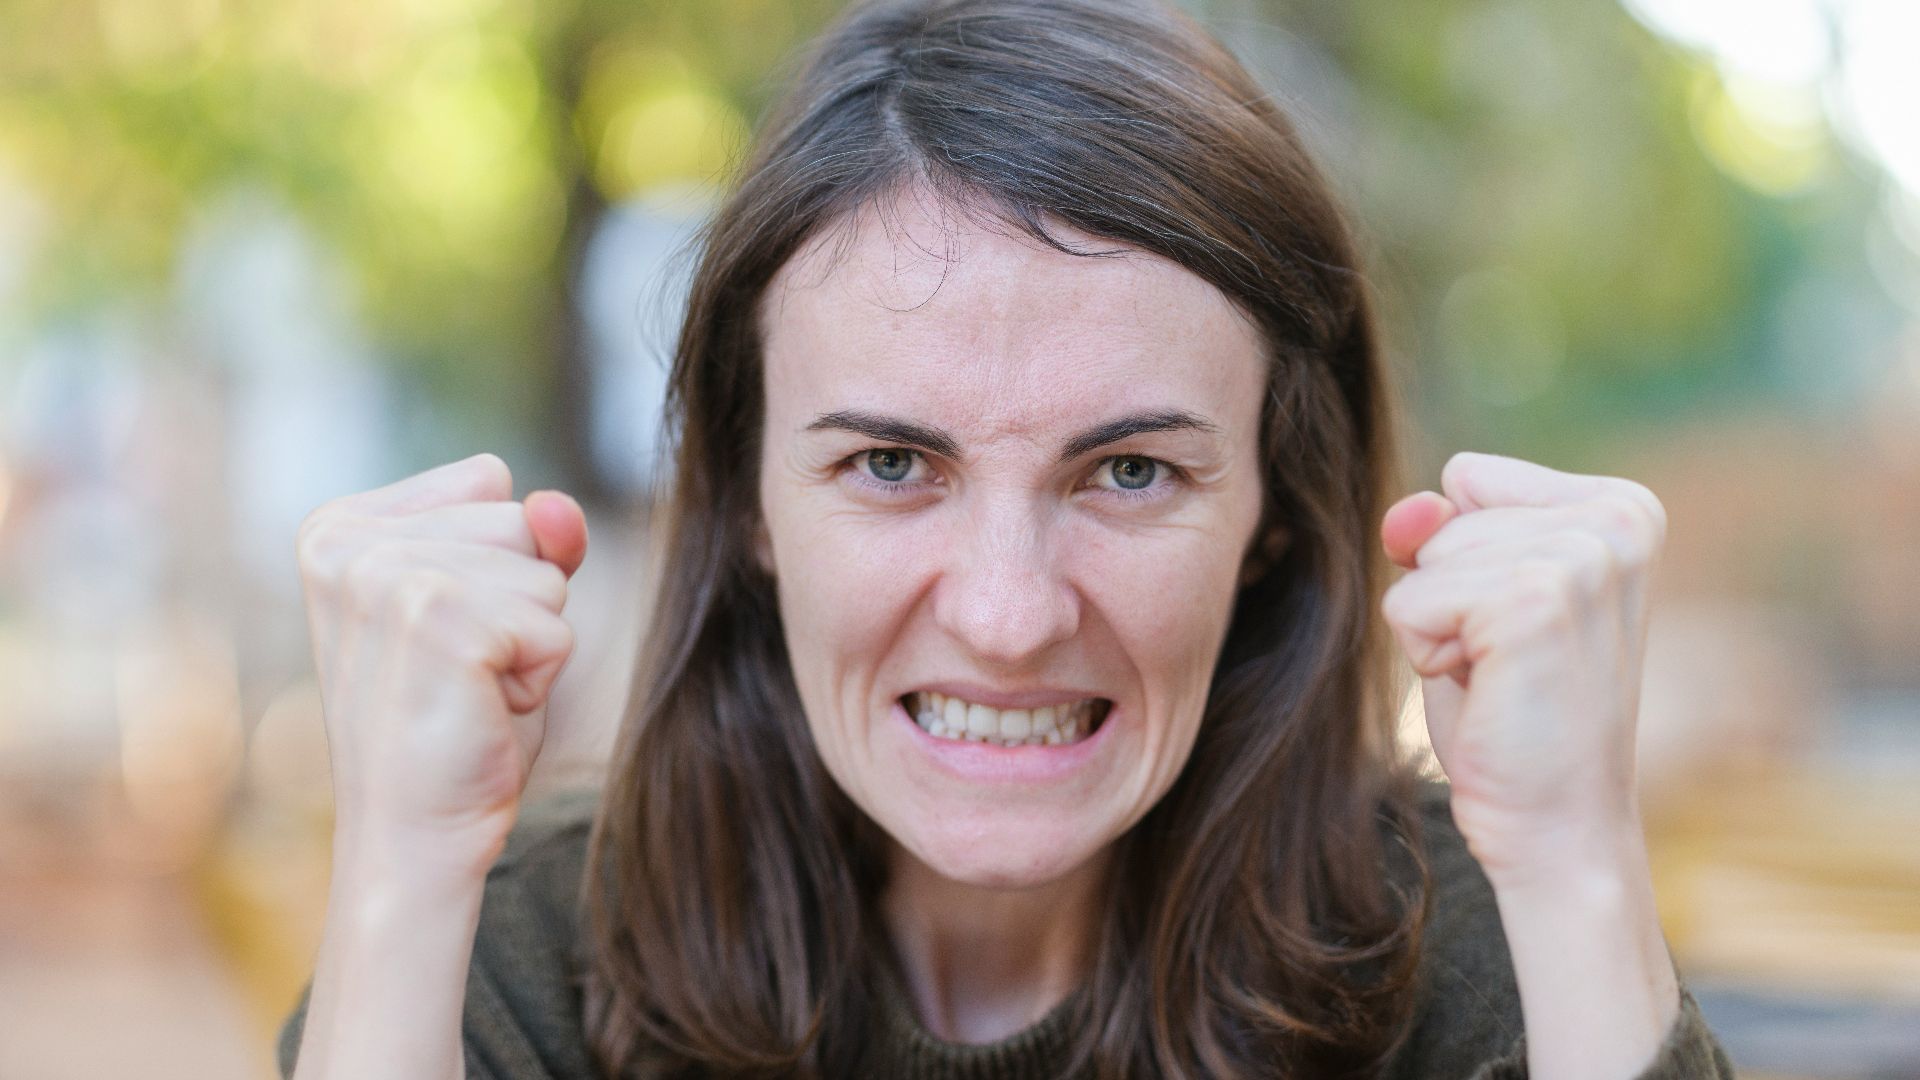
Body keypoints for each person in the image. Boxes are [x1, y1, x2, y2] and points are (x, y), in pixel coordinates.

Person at [276, 0, 1738, 1076]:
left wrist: (1574, 866)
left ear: (1278, 515)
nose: (1007, 613)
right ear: (746, 502)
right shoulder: (514, 949)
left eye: (1131, 474)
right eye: (895, 462)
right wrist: (401, 875)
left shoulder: (1472, 951)